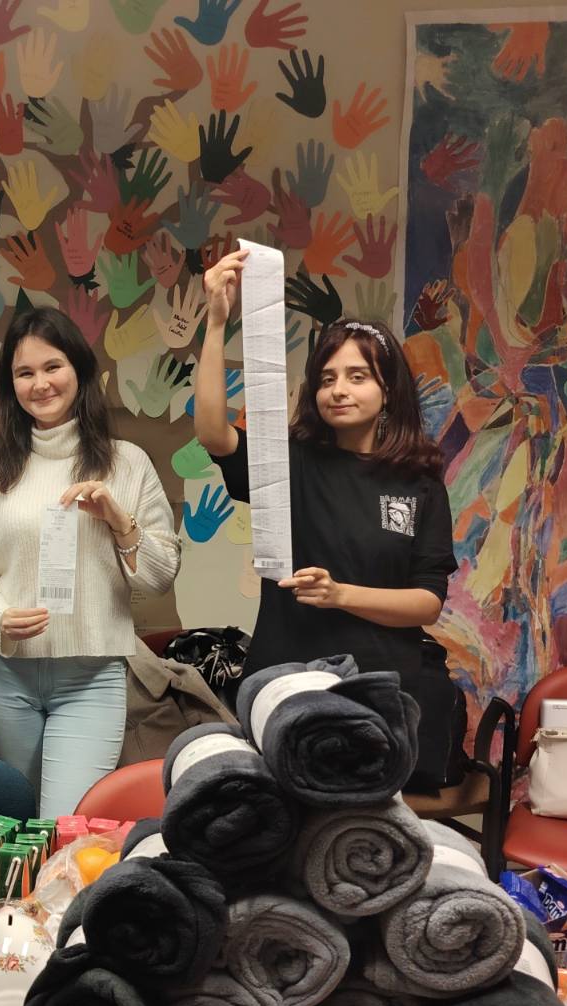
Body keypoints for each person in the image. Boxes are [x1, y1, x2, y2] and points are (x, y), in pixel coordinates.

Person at [194, 249, 462, 789]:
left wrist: (340, 594)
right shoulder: (290, 459)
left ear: (388, 390)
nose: (338, 389)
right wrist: (217, 322)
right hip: (284, 684)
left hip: (378, 693)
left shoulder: (420, 483)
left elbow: (426, 603)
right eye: (327, 378)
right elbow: (213, 433)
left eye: (357, 376)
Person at [0, 308, 181, 817]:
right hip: (3, 677)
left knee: (63, 827)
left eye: (52, 366)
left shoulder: (127, 463)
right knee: (17, 823)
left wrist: (119, 521)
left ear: (79, 369)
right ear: (12, 386)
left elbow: (160, 575)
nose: (40, 384)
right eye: (24, 373)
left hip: (91, 678)